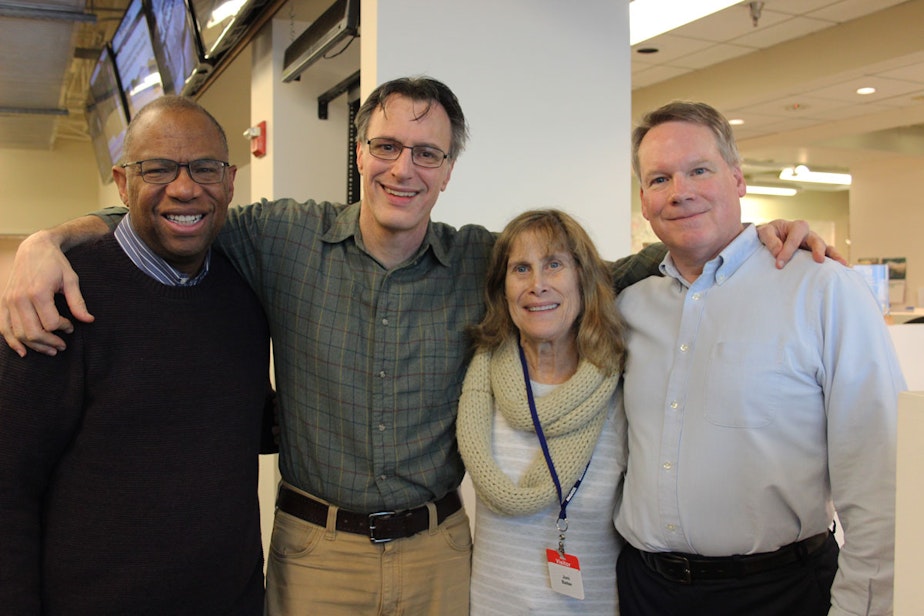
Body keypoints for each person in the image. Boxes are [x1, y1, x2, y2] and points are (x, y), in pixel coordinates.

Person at [0, 78, 833, 615]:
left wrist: (751, 236)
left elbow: (587, 270)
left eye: (427, 152)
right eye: (388, 147)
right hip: (315, 551)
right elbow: (177, 209)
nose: (405, 167)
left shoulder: (482, 260)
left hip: (439, 551)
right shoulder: (280, 239)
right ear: (361, 155)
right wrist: (47, 241)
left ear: (449, 167)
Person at [614, 100, 905, 616]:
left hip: (779, 593)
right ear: (643, 199)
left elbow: (881, 483)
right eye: (660, 179)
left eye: (699, 170)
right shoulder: (628, 307)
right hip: (645, 590)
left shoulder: (822, 290)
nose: (680, 192)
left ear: (738, 177)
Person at [0, 96, 273, 614]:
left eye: (204, 168)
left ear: (231, 180)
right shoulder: (57, 302)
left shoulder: (243, 295)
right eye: (158, 169)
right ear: (123, 185)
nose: (185, 187)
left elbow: (231, 425)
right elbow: (8, 487)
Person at [457, 209, 627, 614]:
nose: (538, 285)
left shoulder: (623, 388)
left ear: (583, 278)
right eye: (521, 268)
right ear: (503, 288)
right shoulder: (481, 380)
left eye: (554, 265)